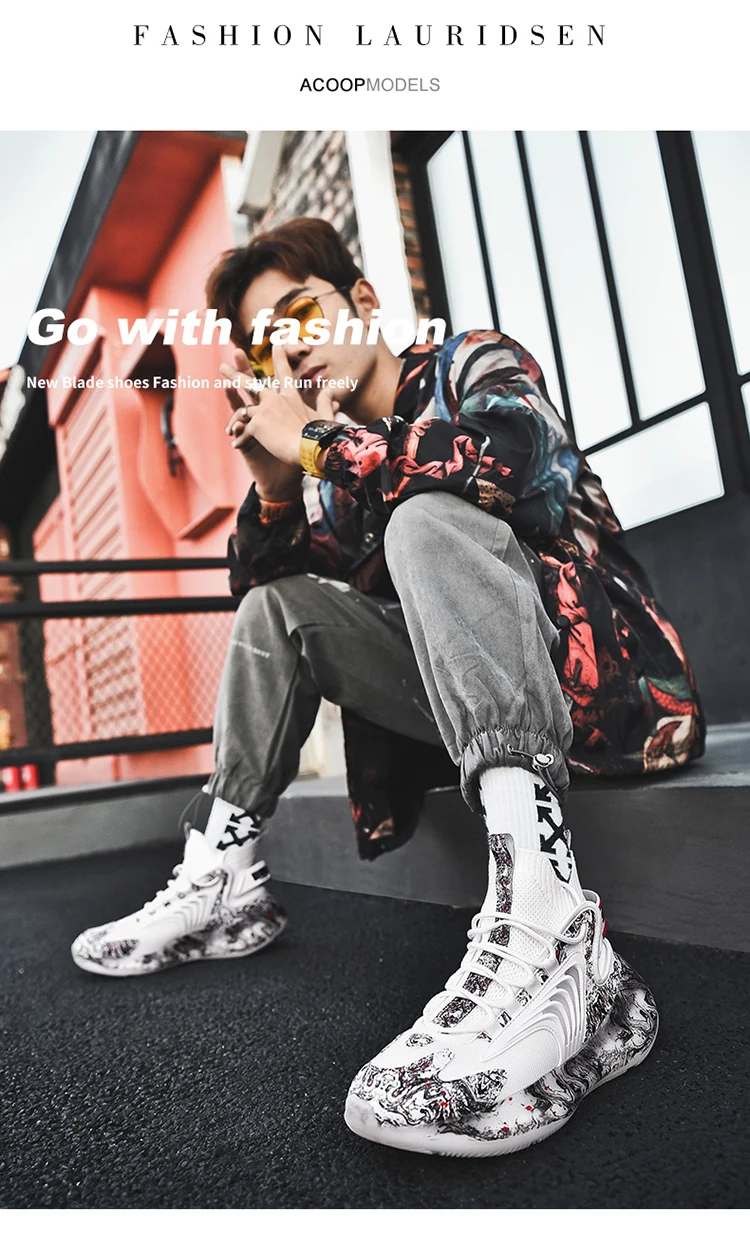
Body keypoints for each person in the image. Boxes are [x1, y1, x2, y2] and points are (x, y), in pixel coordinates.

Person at [71, 217, 702, 1157]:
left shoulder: (471, 361)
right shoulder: (326, 480)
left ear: (363, 300)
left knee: (423, 516)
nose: (288, 348)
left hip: (611, 692)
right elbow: (269, 608)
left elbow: (505, 465)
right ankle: (222, 876)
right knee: (280, 608)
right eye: (264, 343)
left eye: (299, 314)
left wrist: (318, 440)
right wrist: (276, 484)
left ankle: (550, 919)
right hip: (477, 718)